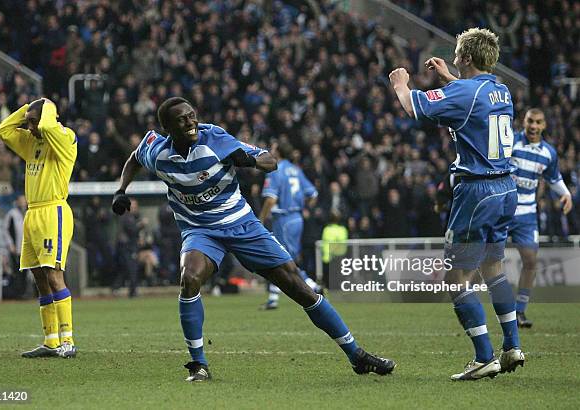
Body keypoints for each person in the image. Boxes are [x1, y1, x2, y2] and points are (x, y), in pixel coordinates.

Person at [111, 97, 396, 382]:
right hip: (200, 230)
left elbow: (270, 161)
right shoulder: (156, 149)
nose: (190, 122)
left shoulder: (216, 138)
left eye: (192, 116)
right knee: (189, 277)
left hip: (242, 225)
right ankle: (199, 364)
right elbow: (135, 158)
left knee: (298, 286)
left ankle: (356, 355)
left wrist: (248, 159)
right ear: (167, 128)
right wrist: (121, 190)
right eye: (182, 120)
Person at [390, 28, 523, 380]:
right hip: (506, 188)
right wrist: (450, 77)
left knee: (456, 279)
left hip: (477, 192)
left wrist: (401, 83)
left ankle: (484, 357)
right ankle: (512, 346)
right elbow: (470, 98)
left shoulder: (464, 92)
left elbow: (413, 106)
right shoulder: (501, 89)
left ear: (464, 57)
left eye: (458, 56)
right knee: (493, 268)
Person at [0, 98, 77, 358]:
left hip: (54, 211)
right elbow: (3, 131)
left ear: (48, 118)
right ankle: (51, 341)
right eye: (28, 121)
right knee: (39, 278)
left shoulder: (65, 138)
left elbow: (50, 127)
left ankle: (68, 340)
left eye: (33, 121)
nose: (29, 127)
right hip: (32, 213)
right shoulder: (31, 143)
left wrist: (44, 111)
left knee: (54, 275)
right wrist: (28, 109)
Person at [509, 108, 573, 328]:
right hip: (502, 210)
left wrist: (565, 193)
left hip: (526, 214)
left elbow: (553, 177)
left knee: (530, 261)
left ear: (544, 125)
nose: (533, 126)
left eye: (538, 122)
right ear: (523, 122)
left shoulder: (548, 153)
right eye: (530, 122)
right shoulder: (510, 142)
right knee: (488, 259)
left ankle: (519, 312)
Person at [259, 142, 321, 309]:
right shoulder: (296, 170)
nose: (270, 151)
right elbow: (313, 193)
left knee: (283, 259)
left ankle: (313, 286)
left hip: (284, 219)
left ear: (278, 153)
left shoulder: (275, 170)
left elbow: (271, 199)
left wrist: (261, 219)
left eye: (273, 148)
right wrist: (303, 206)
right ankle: (273, 297)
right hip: (296, 217)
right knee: (277, 256)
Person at [3, 194, 28, 297]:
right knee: (16, 271)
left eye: (24, 200)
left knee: (26, 273)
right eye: (20, 200)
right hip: (16, 249)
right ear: (17, 202)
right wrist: (10, 244)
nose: (22, 202)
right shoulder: (12, 214)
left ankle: (24, 293)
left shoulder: (29, 213)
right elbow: (5, 230)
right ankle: (16, 294)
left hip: (27, 249)